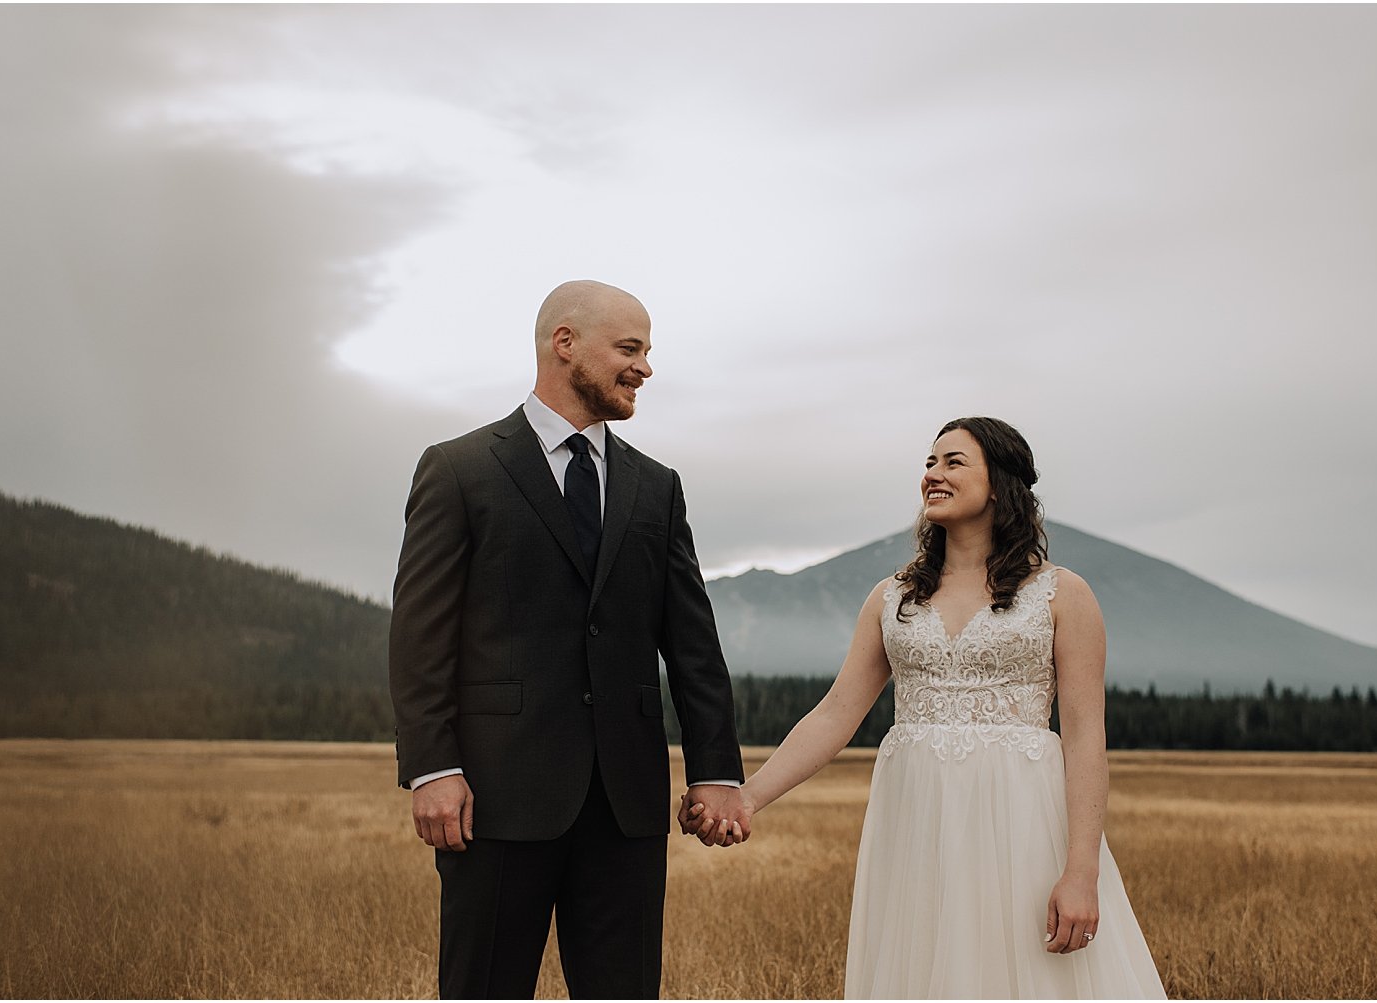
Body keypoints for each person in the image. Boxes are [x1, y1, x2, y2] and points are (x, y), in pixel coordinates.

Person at [683, 416, 1166, 999]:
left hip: (1023, 825)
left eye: (953, 462)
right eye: (929, 463)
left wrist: (1082, 870)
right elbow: (837, 713)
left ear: (1002, 482)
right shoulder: (892, 598)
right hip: (915, 822)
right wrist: (750, 796)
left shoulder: (1064, 594)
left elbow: (1086, 738)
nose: (933, 475)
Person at [390, 279, 749, 1000]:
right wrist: (432, 767)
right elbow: (418, 635)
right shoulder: (459, 469)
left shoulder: (657, 486)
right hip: (493, 800)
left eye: (647, 351)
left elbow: (693, 641)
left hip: (626, 809)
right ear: (565, 344)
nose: (645, 367)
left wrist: (718, 770)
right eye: (630, 347)